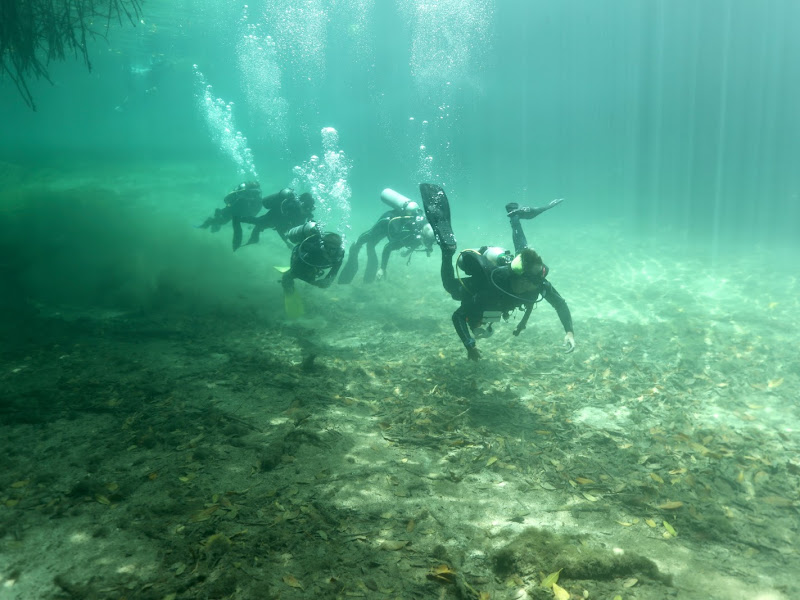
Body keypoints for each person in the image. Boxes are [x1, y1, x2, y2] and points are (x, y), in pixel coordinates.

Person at [420, 183, 575, 361]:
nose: (540, 283)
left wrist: (569, 332)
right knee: (450, 287)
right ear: (523, 279)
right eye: (534, 279)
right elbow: (458, 316)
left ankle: (514, 216)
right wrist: (470, 345)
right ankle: (447, 252)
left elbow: (559, 304)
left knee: (522, 250)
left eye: (541, 277)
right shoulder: (493, 286)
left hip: (508, 286)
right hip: (480, 285)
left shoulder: (536, 281)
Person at [338, 188, 435, 284]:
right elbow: (387, 248)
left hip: (396, 228)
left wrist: (408, 252)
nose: (429, 247)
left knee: (371, 244)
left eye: (430, 244)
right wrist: (382, 268)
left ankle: (366, 251)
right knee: (370, 237)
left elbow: (416, 242)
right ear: (422, 236)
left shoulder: (423, 232)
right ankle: (356, 246)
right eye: (428, 243)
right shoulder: (409, 234)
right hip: (386, 221)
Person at [281, 222, 345, 294]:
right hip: (300, 257)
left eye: (336, 249)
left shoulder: (339, 255)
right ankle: (288, 289)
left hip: (315, 264)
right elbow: (297, 263)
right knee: (289, 276)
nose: (333, 251)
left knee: (310, 277)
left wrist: (327, 281)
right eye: (330, 248)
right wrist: (310, 281)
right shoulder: (313, 249)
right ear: (324, 246)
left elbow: (334, 271)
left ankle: (307, 291)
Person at [241, 188, 315, 249]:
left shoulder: (305, 214)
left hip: (277, 223)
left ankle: (253, 237)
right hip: (272, 217)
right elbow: (279, 227)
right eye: (306, 209)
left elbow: (296, 230)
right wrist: (286, 242)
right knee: (258, 222)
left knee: (259, 225)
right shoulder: (290, 207)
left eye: (310, 209)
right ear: (301, 204)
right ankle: (239, 218)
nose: (306, 212)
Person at [197, 181, 263, 250]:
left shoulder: (257, 199)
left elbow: (255, 211)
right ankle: (210, 220)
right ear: (248, 190)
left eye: (256, 192)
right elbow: (227, 200)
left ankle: (218, 214)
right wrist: (241, 198)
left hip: (240, 214)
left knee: (226, 224)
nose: (253, 194)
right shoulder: (241, 193)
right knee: (222, 222)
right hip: (232, 210)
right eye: (252, 192)